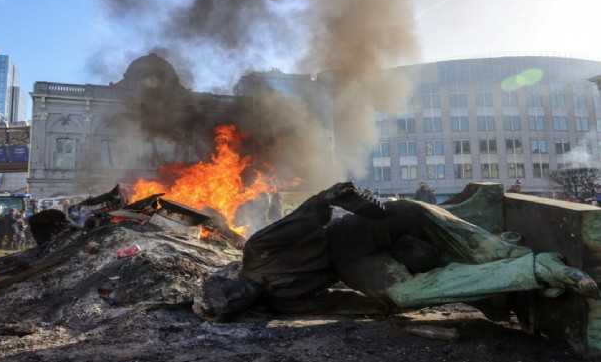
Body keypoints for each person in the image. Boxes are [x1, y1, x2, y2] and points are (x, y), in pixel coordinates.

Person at [194, 182, 600, 321]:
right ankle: (531, 270)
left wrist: (341, 197)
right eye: (232, 307)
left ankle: (502, 255)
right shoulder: (278, 304)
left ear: (226, 281)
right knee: (406, 292)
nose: (236, 298)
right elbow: (339, 303)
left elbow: (310, 213)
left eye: (227, 293)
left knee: (410, 210)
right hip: (354, 266)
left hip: (349, 233)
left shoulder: (257, 252)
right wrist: (385, 304)